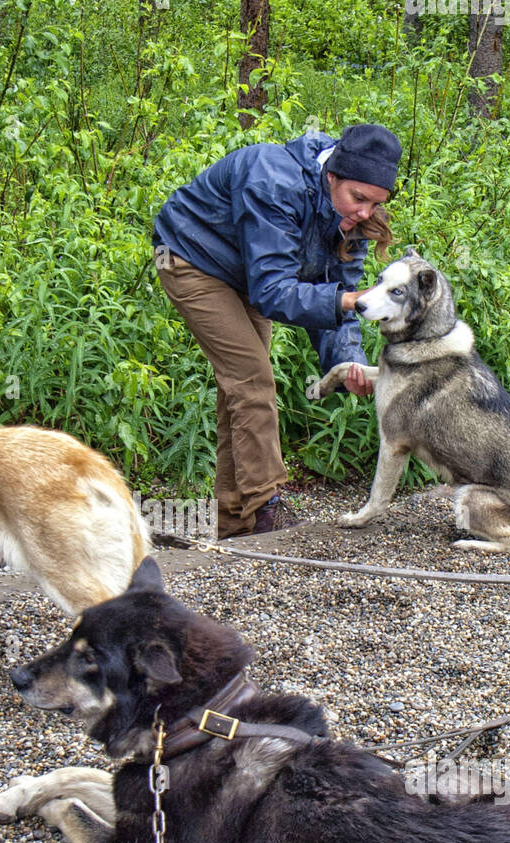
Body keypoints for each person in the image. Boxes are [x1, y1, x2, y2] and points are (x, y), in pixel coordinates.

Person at [153, 123, 400, 538]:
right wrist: (345, 300)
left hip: (251, 273)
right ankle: (267, 508)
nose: (363, 213)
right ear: (332, 176)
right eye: (358, 199)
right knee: (251, 378)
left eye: (374, 205)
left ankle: (234, 521)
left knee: (241, 388)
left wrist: (348, 366)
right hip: (189, 257)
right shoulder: (273, 177)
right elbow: (277, 292)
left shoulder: (352, 219)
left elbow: (338, 296)